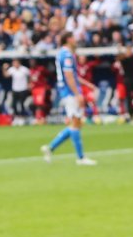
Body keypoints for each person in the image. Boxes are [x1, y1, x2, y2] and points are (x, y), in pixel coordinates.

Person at [41, 34, 96, 165]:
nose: (76, 40)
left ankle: (50, 148)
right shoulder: (67, 55)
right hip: (69, 91)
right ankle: (80, 158)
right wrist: (77, 93)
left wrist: (87, 84)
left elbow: (73, 75)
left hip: (67, 90)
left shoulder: (61, 53)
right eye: (74, 38)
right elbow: (69, 76)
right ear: (69, 39)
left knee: (76, 124)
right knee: (75, 123)